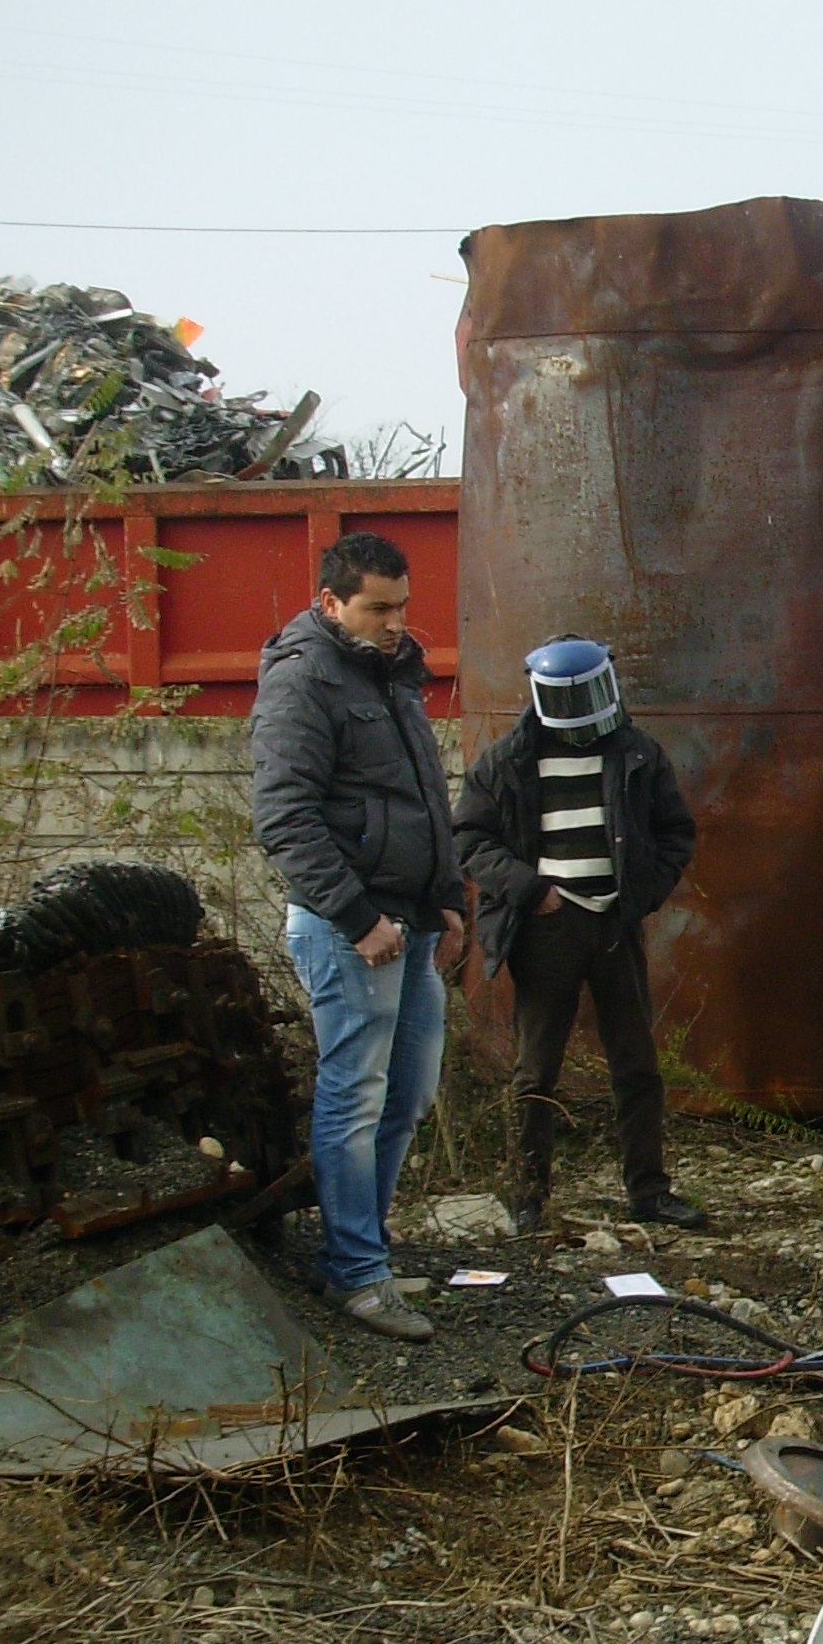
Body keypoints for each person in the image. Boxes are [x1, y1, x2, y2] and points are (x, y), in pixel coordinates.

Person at [250, 531, 464, 1340]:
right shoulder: (306, 680)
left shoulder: (388, 671)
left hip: (403, 923)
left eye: (403, 606)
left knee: (404, 1098)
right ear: (328, 603)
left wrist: (442, 895)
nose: (395, 622)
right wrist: (357, 916)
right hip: (351, 928)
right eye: (377, 608)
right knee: (355, 1101)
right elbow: (284, 817)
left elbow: (417, 798)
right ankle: (355, 1276)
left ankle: (362, 1256)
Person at [453, 636, 707, 1237]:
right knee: (536, 1070)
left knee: (637, 1064)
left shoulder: (637, 754)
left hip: (614, 923)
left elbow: (675, 832)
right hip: (545, 930)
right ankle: (529, 1198)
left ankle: (648, 1192)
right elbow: (470, 841)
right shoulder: (504, 761)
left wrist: (642, 894)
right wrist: (529, 889)